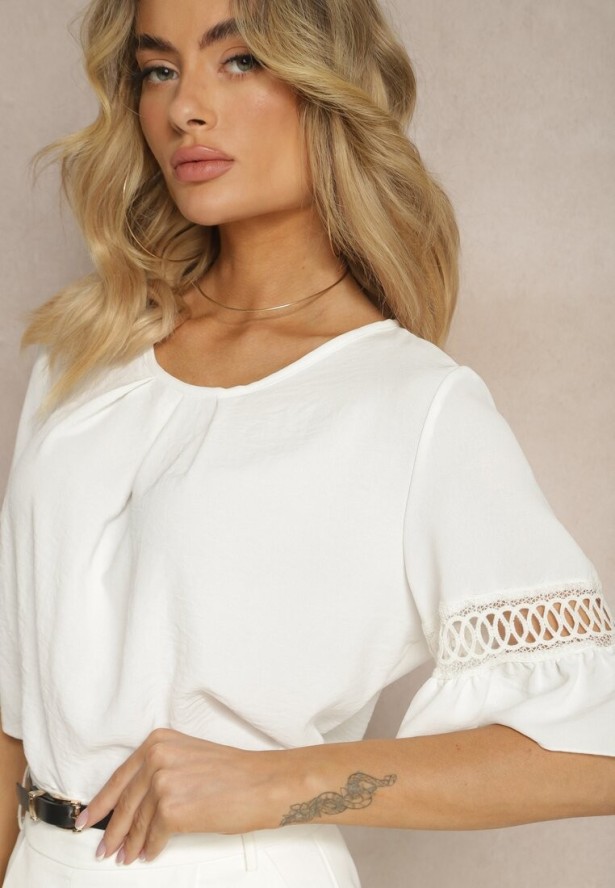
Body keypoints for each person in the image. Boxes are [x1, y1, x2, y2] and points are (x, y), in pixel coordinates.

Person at [1, 0, 614, 885]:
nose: (185, 109)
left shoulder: (409, 403)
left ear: (328, 85)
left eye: (239, 60)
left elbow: (591, 749)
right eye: (158, 70)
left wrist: (281, 783)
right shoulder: (85, 350)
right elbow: (16, 714)